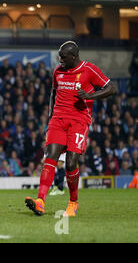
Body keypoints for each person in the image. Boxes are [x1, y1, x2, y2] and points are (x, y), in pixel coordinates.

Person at [25, 41, 116, 217]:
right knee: (50, 157)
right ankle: (40, 201)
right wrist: (51, 116)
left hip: (79, 120)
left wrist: (90, 96)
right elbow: (53, 92)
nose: (60, 61)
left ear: (73, 57)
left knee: (71, 161)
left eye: (63, 57)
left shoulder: (88, 70)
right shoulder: (58, 71)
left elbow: (111, 88)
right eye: (59, 57)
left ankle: (73, 202)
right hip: (58, 120)